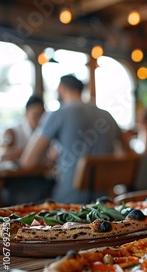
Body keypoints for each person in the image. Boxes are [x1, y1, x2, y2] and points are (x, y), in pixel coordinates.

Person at [20, 75, 129, 203]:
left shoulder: (58, 114)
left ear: (62, 89)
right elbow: (128, 155)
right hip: (104, 201)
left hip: (69, 203)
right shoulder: (107, 115)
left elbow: (27, 162)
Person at [0, 95, 46, 162]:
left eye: (42, 116)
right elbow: (3, 155)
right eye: (35, 115)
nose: (39, 120)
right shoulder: (12, 131)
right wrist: (35, 150)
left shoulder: (45, 130)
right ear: (25, 114)